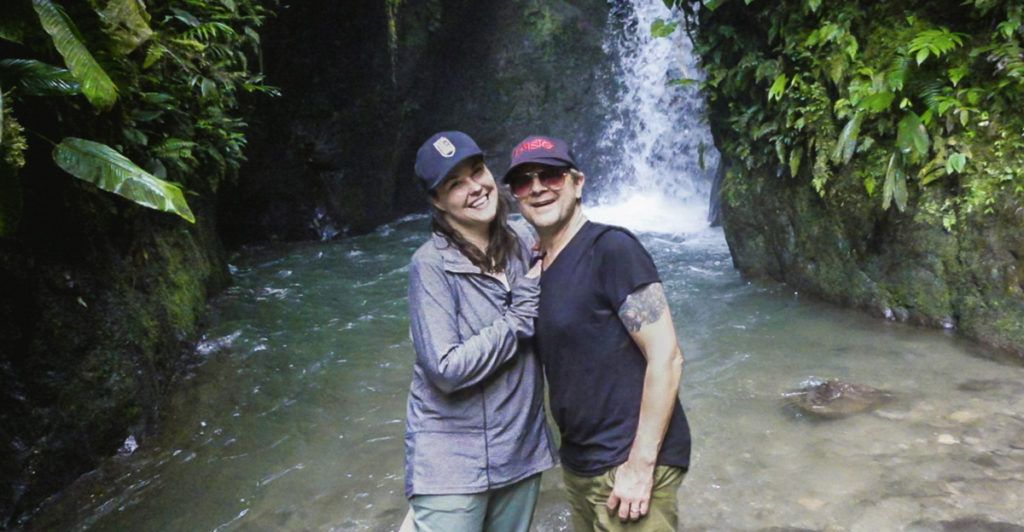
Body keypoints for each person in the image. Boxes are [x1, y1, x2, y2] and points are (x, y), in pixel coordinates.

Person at [503, 135, 692, 531]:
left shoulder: (612, 249)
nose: (537, 188)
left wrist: (641, 465)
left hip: (628, 462)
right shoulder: (538, 266)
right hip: (581, 464)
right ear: (515, 197)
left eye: (551, 175)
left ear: (577, 182)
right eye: (524, 181)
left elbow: (668, 357)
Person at [403, 131, 557, 531]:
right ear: (437, 201)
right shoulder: (431, 266)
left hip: (520, 452)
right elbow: (446, 368)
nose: (475, 188)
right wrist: (519, 316)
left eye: (477, 172)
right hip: (451, 463)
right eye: (456, 184)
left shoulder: (526, 242)